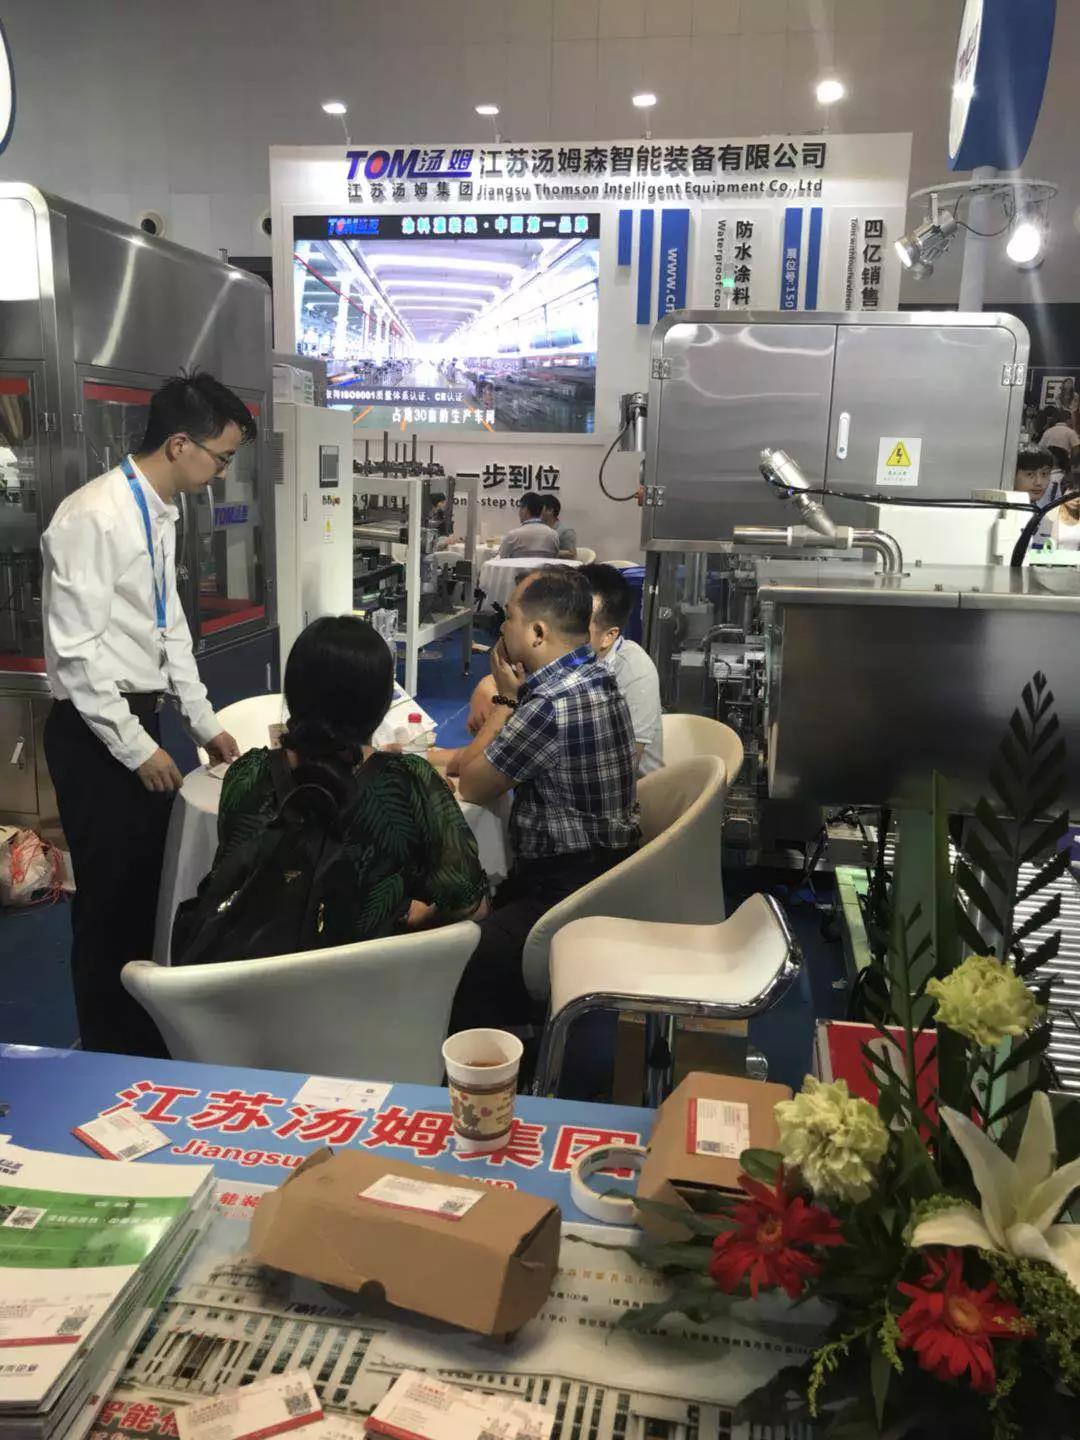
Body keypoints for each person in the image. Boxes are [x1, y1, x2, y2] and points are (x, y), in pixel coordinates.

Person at [41, 371, 248, 1055]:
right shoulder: (93, 516)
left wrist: (203, 721)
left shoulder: (160, 510)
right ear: (180, 444)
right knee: (107, 900)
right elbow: (77, 658)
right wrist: (136, 748)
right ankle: (106, 1047)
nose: (222, 472)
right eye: (220, 456)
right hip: (95, 729)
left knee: (146, 888)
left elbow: (168, 629)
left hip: (138, 718)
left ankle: (143, 1033)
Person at [206, 615, 488, 947]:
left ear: (293, 693)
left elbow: (227, 878)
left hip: (256, 971)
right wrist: (416, 915)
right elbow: (469, 902)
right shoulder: (408, 781)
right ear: (381, 704)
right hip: (376, 974)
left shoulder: (248, 773)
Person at [449, 567, 641, 1032]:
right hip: (608, 871)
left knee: (463, 959)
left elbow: (471, 784)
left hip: (566, 886)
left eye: (510, 617)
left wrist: (506, 701)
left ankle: (506, 1056)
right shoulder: (597, 676)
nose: (501, 627)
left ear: (537, 632)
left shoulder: (549, 703)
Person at [455, 563, 663, 778]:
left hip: (640, 786)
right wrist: (491, 686)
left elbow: (621, 768)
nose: (565, 629)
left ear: (609, 636)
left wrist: (505, 704)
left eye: (580, 623)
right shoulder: (568, 664)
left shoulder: (630, 671)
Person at [496, 492, 560, 560]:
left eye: (520, 508)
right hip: (544, 567)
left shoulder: (513, 536)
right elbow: (554, 559)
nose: (519, 513)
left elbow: (501, 559)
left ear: (525, 509)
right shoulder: (554, 535)